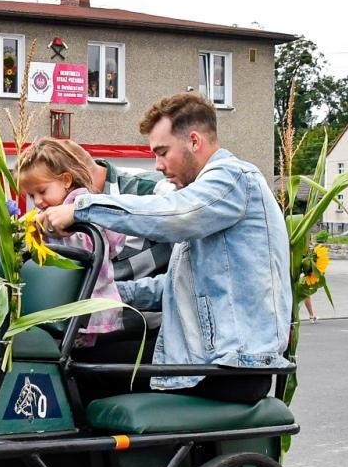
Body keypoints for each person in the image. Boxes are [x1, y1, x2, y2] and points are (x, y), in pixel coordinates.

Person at [41, 91, 291, 403]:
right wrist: (102, 294)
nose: (157, 165)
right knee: (84, 356)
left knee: (77, 369)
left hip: (233, 365)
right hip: (206, 356)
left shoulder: (233, 178)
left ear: (194, 141)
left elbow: (172, 214)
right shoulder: (208, 200)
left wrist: (82, 209)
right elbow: (175, 286)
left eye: (162, 152)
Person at [15, 137, 127, 347]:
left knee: (65, 350)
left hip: (87, 302)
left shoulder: (81, 204)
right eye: (31, 195)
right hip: (67, 300)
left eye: (42, 191)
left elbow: (86, 247)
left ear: (66, 180)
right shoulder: (47, 212)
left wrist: (54, 229)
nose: (37, 201)